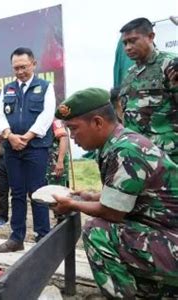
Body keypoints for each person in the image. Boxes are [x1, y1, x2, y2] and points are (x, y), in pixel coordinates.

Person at [53, 87, 178, 299]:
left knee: (97, 232)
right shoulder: (120, 143)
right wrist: (90, 197)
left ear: (97, 123)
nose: (72, 137)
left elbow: (112, 212)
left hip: (171, 241)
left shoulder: (126, 150)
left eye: (74, 129)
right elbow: (127, 198)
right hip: (165, 235)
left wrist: (72, 205)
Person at [0, 47, 55, 252]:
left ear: (34, 64)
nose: (19, 72)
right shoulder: (7, 89)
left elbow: (47, 116)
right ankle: (16, 238)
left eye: (24, 67)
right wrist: (10, 136)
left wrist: (27, 137)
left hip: (36, 147)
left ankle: (43, 239)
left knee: (38, 193)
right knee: (17, 193)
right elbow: (0, 116)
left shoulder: (45, 87)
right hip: (12, 148)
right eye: (16, 68)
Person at [119, 17, 178, 163]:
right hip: (139, 155)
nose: (128, 47)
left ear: (151, 37)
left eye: (133, 41)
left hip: (168, 156)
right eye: (125, 43)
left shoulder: (170, 65)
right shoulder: (130, 73)